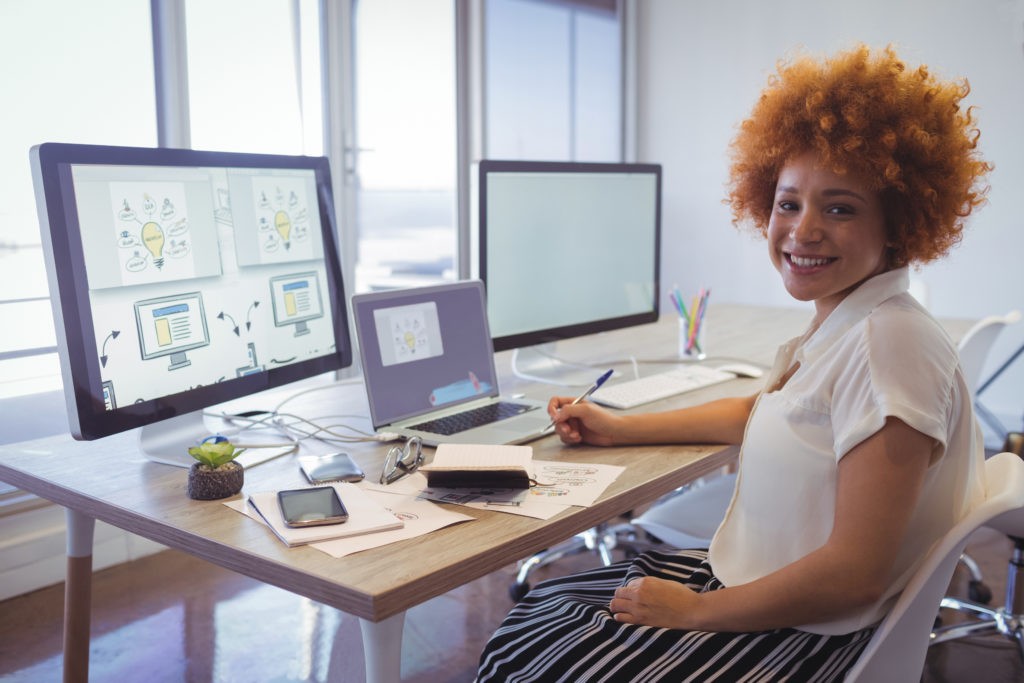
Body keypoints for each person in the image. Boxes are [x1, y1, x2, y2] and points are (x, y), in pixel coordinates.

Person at [476, 44, 992, 682]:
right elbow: (772, 411)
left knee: (524, 651)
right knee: (548, 609)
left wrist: (696, 612)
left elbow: (856, 577)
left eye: (840, 207)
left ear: (898, 224)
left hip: (813, 638)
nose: (801, 231)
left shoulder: (888, 346)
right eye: (787, 202)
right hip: (779, 592)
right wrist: (620, 426)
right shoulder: (851, 315)